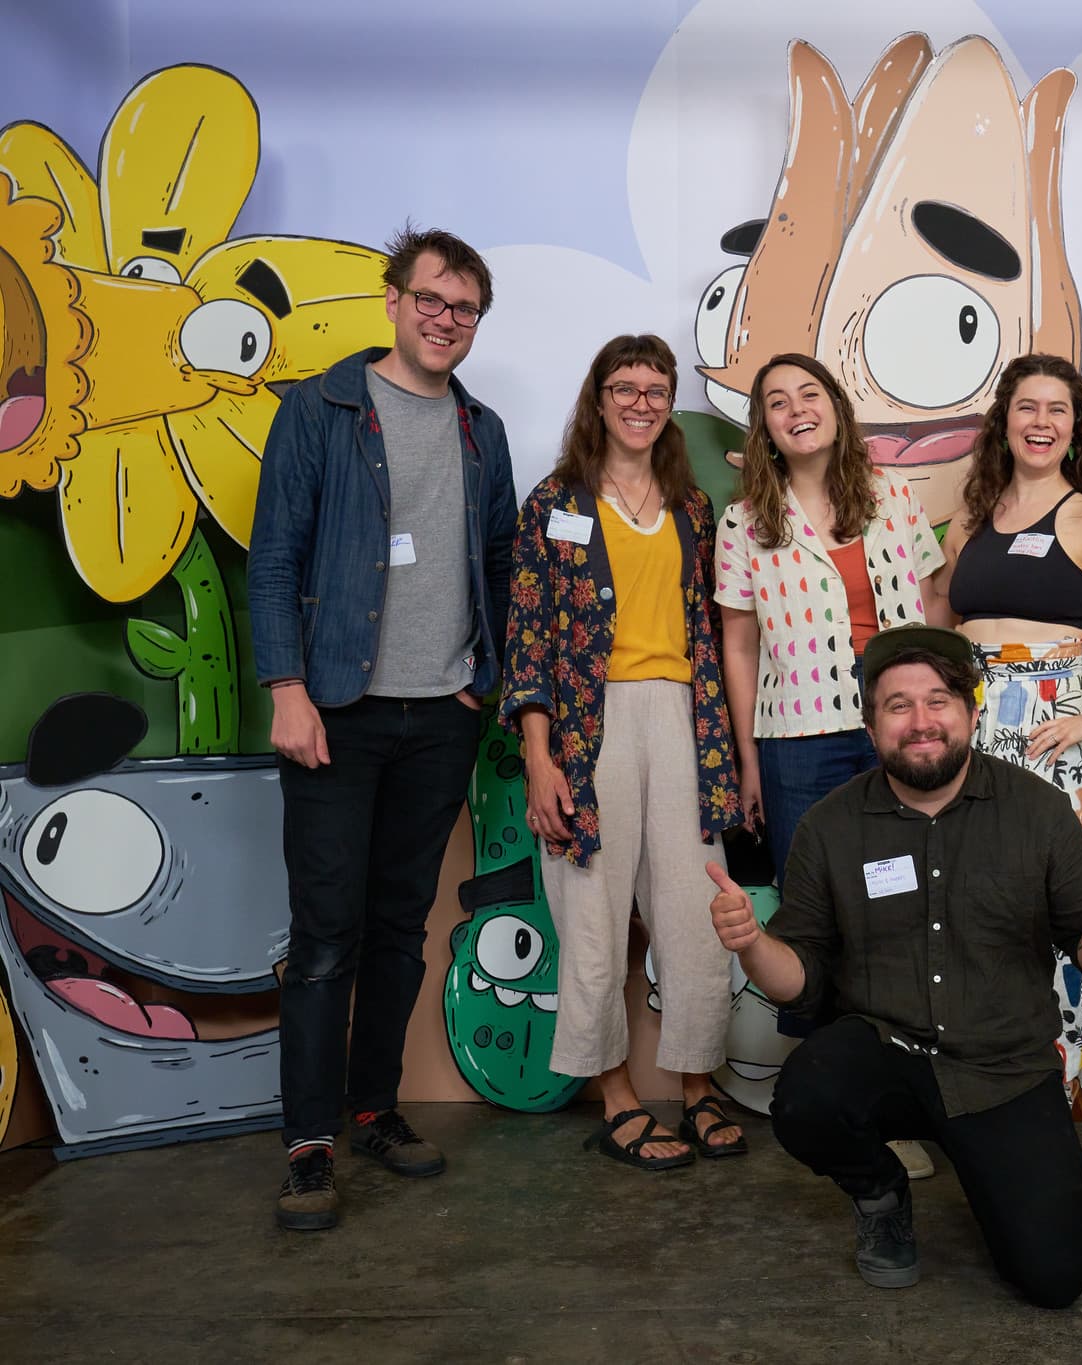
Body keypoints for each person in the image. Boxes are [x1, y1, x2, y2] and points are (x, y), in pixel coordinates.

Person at [708, 625, 1082, 1306]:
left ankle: (989, 1168)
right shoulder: (830, 826)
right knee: (805, 1098)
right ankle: (881, 1193)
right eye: (897, 705)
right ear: (870, 721)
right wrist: (751, 945)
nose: (921, 722)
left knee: (1057, 1273)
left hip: (1001, 1068)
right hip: (888, 1052)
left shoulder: (1038, 811)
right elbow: (803, 976)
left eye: (938, 700)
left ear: (972, 710)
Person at [249, 226, 516, 1230]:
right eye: (432, 300)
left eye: (465, 309)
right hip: (335, 713)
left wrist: (478, 683)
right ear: (394, 301)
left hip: (436, 719)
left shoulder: (480, 429)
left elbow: (495, 560)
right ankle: (308, 1146)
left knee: (401, 928)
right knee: (326, 938)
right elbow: (274, 559)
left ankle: (373, 1110)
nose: (446, 319)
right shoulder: (321, 410)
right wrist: (286, 688)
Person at [500, 334, 745, 1170]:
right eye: (623, 387)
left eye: (655, 389)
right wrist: (540, 758)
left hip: (685, 719)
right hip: (585, 727)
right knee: (593, 915)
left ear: (670, 401)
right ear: (597, 398)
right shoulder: (553, 502)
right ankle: (615, 1093)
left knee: (695, 910)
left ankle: (699, 1083)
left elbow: (715, 631)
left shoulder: (692, 504)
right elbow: (528, 637)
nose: (640, 402)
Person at [931, 353, 1082, 1085]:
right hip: (969, 723)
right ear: (1004, 424)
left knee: (1062, 889)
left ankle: (1065, 1065)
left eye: (1057, 410)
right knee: (970, 889)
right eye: (1028, 408)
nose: (1041, 422)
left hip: (1049, 721)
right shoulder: (972, 518)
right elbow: (942, 619)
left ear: (1075, 429)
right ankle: (985, 1056)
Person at [713, 353, 946, 882]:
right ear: (765, 429)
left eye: (810, 393)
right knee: (810, 882)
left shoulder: (894, 495)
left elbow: (933, 606)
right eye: (778, 402)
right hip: (796, 732)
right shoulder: (742, 524)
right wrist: (749, 762)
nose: (797, 409)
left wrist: (940, 702)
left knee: (902, 877)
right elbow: (741, 648)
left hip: (898, 709)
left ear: (837, 408)